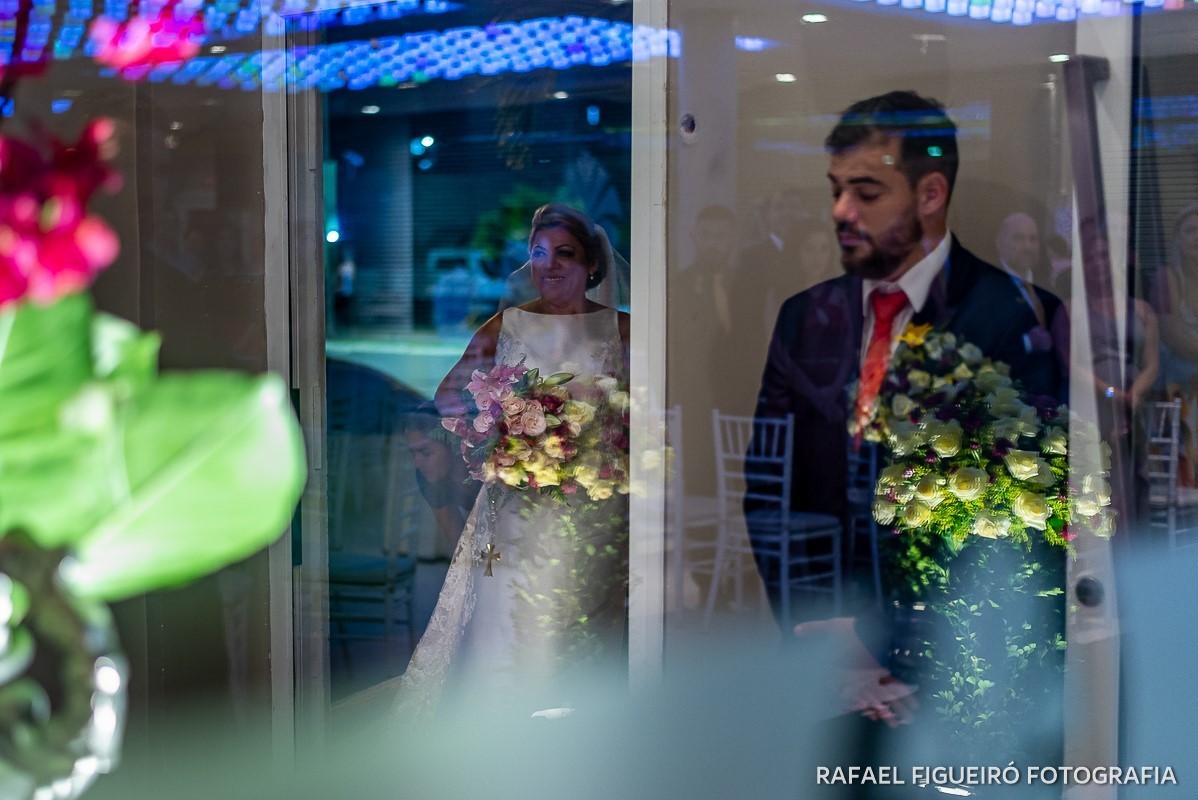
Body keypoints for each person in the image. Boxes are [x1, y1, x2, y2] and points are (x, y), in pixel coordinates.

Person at [750, 91, 1066, 739]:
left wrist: (906, 653)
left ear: (930, 195)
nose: (840, 210)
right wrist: (823, 641)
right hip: (825, 669)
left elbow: (1027, 516)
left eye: (866, 193)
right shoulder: (804, 317)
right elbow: (767, 490)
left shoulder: (1010, 319)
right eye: (836, 189)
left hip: (952, 670)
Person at [395, 203, 631, 716]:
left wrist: (596, 447)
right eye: (539, 254)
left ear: (591, 263)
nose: (550, 266)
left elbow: (640, 414)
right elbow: (448, 399)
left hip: (591, 509)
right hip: (516, 506)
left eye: (564, 254)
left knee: (576, 626)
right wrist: (494, 441)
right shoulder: (509, 325)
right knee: (503, 626)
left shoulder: (623, 330)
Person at [995, 211, 1067, 394]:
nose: (1027, 246)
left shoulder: (1048, 289)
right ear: (1000, 242)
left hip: (1049, 397)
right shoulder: (987, 288)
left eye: (1033, 239)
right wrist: (1027, 343)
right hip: (1006, 396)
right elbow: (980, 345)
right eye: (1018, 238)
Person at [1153, 204, 1198, 487]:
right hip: (1179, 373)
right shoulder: (1167, 276)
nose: (1197, 237)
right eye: (1191, 231)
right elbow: (1171, 334)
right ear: (1178, 238)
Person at [403, 406, 479, 546]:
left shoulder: (487, 465)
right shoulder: (428, 478)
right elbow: (463, 545)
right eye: (412, 453)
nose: (417, 464)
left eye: (425, 453)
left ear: (454, 446)